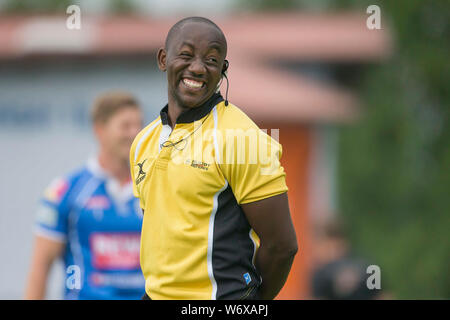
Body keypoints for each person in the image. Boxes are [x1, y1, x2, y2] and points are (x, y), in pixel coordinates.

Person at [130, 17, 298, 300]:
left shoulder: (243, 137)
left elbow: (282, 246)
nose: (197, 68)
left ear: (223, 70)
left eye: (211, 59)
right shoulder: (143, 141)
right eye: (185, 55)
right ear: (163, 59)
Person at [24, 91, 145, 300]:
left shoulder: (153, 188)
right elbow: (41, 268)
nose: (135, 133)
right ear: (99, 130)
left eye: (139, 125)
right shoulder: (66, 191)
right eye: (125, 126)